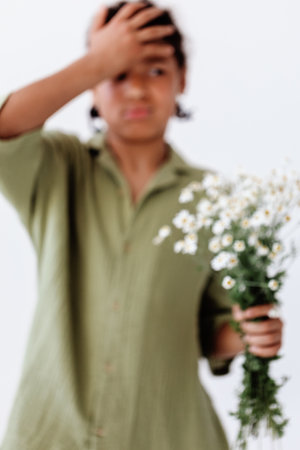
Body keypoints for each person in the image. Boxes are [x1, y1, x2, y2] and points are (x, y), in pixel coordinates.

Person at [0, 1, 283, 449]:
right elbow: (5, 126)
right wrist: (97, 60)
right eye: (118, 74)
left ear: (181, 79)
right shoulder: (60, 169)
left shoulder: (215, 200)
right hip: (53, 435)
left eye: (154, 71)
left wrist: (249, 334)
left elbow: (213, 331)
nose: (136, 91)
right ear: (93, 85)